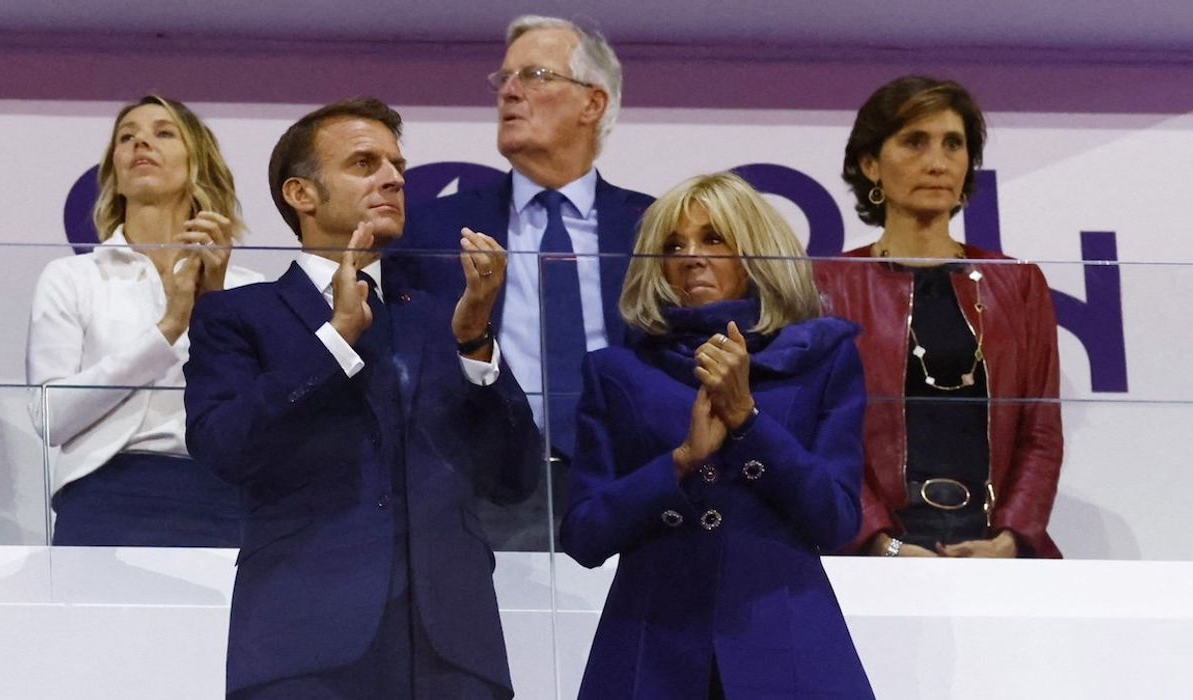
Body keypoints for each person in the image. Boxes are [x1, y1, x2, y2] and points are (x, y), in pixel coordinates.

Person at [182, 97, 541, 699]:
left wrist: (478, 343)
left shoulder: (443, 319)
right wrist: (336, 339)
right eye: (364, 162)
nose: (394, 178)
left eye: (397, 165)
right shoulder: (237, 316)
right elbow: (225, 449)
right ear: (302, 194)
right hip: (303, 642)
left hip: (452, 645)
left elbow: (514, 479)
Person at [562, 172, 875, 699]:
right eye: (673, 245)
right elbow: (584, 536)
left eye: (713, 238)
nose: (690, 256)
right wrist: (680, 462)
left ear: (755, 252)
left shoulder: (822, 359)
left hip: (786, 647)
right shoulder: (616, 372)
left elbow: (837, 520)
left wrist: (748, 421)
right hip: (650, 650)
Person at [396, 15, 654, 549]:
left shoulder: (654, 228)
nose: (509, 91)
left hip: (626, 479)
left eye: (535, 75)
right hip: (480, 485)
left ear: (593, 103)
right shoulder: (432, 229)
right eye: (504, 79)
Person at [817, 75, 1063, 558]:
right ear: (871, 165)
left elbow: (1040, 432)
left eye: (954, 144)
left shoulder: (1018, 282)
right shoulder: (827, 283)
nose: (937, 162)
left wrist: (1010, 539)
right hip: (873, 555)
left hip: (995, 552)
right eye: (914, 142)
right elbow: (822, 432)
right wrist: (881, 543)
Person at [26, 95, 260, 546]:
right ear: (114, 171)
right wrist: (168, 327)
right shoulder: (72, 277)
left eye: (163, 133)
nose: (141, 143)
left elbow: (258, 418)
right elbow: (51, 416)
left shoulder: (249, 285)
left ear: (198, 161)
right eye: (127, 136)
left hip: (225, 497)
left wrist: (215, 306)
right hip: (104, 494)